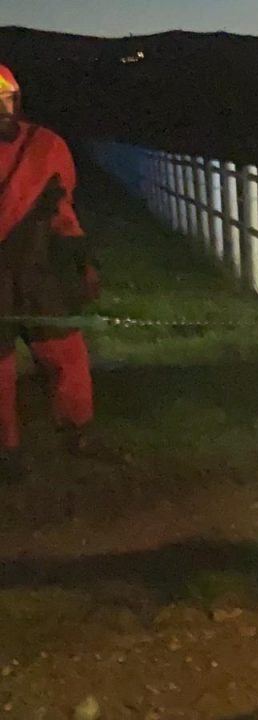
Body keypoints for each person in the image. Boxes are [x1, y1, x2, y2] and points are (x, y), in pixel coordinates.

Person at [0, 63, 100, 483]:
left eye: (5, 100)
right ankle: (7, 451)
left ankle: (77, 430)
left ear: (16, 100)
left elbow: (63, 210)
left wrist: (82, 262)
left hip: (38, 269)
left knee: (64, 351)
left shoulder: (46, 146)